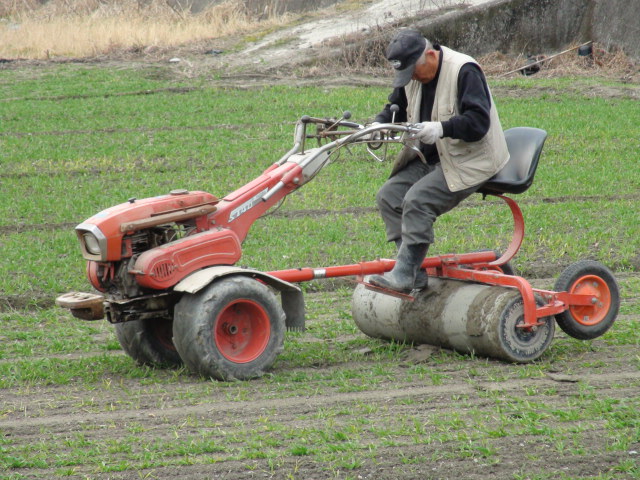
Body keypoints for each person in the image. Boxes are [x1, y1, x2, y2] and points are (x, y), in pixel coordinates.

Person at [368, 29, 510, 293]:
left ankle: (404, 274)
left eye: (413, 70)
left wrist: (442, 128)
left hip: (471, 160)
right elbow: (395, 107)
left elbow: (479, 122)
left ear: (430, 55)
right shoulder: (412, 75)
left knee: (418, 200)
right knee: (389, 196)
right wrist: (379, 123)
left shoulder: (464, 70)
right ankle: (413, 272)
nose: (412, 77)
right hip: (431, 156)